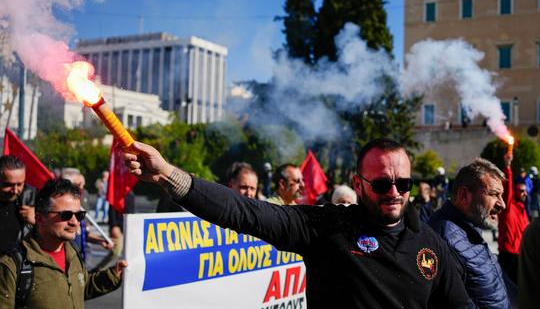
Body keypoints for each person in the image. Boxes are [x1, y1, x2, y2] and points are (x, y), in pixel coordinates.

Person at [124, 138, 473, 308]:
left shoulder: (429, 243)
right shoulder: (326, 225)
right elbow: (244, 212)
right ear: (358, 185)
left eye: (404, 183)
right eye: (382, 184)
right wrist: (170, 175)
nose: (394, 192)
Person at [0, 178, 126, 308]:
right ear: (40, 218)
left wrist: (113, 275)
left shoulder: (72, 251)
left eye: (79, 215)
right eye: (66, 215)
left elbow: (80, 288)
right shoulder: (12, 266)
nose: (74, 222)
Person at [428, 158, 509, 309]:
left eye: (501, 195)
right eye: (493, 194)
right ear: (464, 195)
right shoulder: (445, 240)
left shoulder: (470, 226)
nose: (502, 204)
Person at [497, 154, 528, 286]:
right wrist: (508, 167)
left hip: (520, 255)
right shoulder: (508, 208)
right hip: (508, 255)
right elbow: (506, 191)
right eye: (521, 191)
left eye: (525, 191)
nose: (525, 194)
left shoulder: (523, 210)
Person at [0, 155, 35, 252]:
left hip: (19, 263)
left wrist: (38, 221)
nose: (15, 190)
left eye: (20, 184)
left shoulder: (33, 199)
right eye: (8, 185)